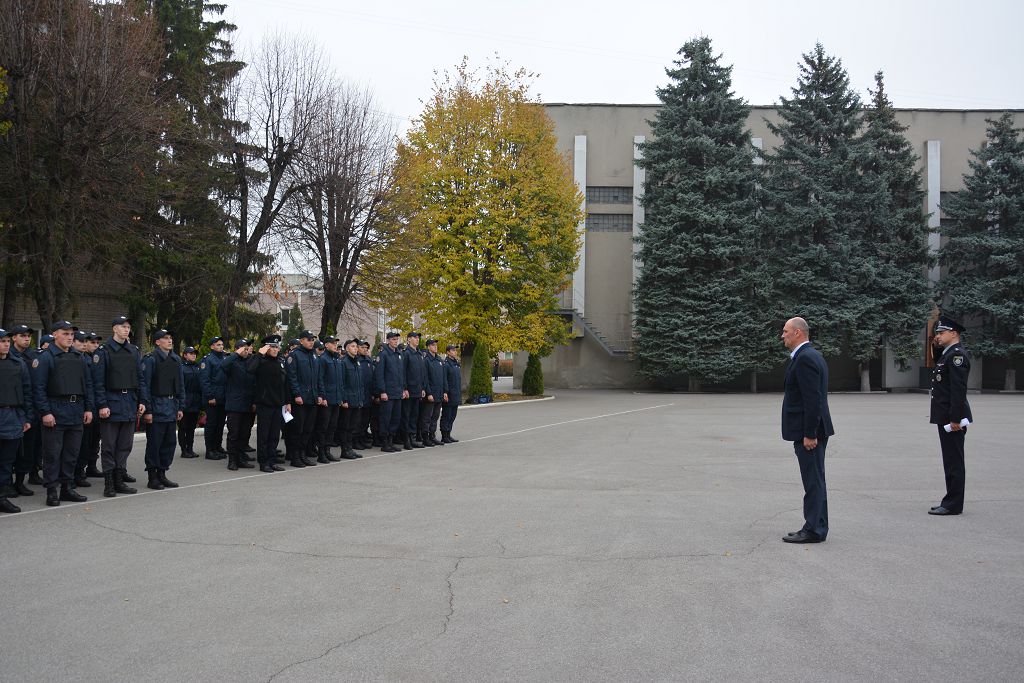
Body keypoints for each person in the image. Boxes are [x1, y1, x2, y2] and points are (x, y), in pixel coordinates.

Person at [780, 317, 834, 544]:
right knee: (815, 480)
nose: (782, 336)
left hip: (810, 433)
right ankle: (816, 525)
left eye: (785, 331)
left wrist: (810, 433)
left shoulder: (805, 358)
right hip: (810, 431)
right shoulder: (809, 355)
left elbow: (813, 400)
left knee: (813, 481)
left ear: (798, 333)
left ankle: (813, 529)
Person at [32, 321, 95, 506]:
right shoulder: (46, 357)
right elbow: (39, 388)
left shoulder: (79, 357)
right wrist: (45, 412)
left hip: (76, 410)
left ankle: (67, 488)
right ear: (55, 335)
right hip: (55, 409)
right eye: (65, 334)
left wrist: (88, 408)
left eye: (71, 335)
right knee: (52, 454)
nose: (69, 337)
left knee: (71, 453)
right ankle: (52, 490)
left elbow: (88, 384)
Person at [91, 316, 143, 497]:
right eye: (123, 326)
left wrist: (141, 401)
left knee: (125, 445)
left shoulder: (133, 351)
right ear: (114, 329)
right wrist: (102, 405)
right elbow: (97, 383)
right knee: (109, 446)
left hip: (129, 402)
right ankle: (109, 483)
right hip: (111, 404)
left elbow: (139, 378)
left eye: (128, 326)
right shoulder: (103, 352)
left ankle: (120, 479)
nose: (126, 329)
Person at [928, 315, 973, 516]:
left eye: (941, 332)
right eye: (937, 332)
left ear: (953, 333)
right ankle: (950, 499)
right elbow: (938, 361)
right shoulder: (948, 354)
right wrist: (936, 343)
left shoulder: (957, 356)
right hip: (945, 416)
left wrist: (955, 419)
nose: (938, 335)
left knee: (954, 460)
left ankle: (953, 504)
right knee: (950, 459)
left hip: (952, 418)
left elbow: (958, 390)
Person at [140, 329, 185, 490]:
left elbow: (180, 385)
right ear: (157, 342)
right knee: (155, 443)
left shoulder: (175, 359)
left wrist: (180, 406)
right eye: (165, 338)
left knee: (169, 443)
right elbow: (145, 385)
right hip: (157, 406)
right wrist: (148, 410)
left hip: (171, 406)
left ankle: (162, 473)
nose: (169, 341)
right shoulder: (151, 359)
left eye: (171, 338)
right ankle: (152, 477)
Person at [0, 328, 34, 513]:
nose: (5, 344)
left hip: (13, 416)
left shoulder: (18, 364)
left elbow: (27, 391)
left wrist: (27, 417)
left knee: (7, 461)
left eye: (6, 341)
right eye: (2, 341)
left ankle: (2, 497)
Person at [247, 334, 289, 473]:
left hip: (278, 404)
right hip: (264, 404)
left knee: (274, 435)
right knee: (263, 436)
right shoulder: (260, 361)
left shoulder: (280, 362)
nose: (276, 349)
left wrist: (287, 402)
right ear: (266, 348)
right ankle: (263, 462)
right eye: (272, 347)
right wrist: (259, 354)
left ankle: (272, 461)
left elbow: (285, 384)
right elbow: (250, 370)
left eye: (277, 347)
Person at [8, 324, 42, 494]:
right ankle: (6, 483)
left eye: (29, 336)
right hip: (11, 408)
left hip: (30, 408)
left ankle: (20, 482)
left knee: (27, 449)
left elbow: (35, 386)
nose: (27, 339)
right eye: (23, 336)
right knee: (9, 450)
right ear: (14, 338)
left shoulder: (34, 356)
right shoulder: (7, 356)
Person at [285, 330, 322, 468]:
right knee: (297, 430)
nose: (311, 342)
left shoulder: (313, 356)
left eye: (312, 339)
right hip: (300, 399)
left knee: (308, 429)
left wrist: (319, 394)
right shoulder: (294, 356)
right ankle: (295, 457)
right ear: (301, 341)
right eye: (308, 339)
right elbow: (292, 377)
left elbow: (318, 378)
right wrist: (296, 394)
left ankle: (302, 455)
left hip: (312, 398)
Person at [221, 339, 257, 471]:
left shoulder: (250, 361)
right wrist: (236, 354)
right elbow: (223, 366)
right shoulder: (232, 361)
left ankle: (241, 458)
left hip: (248, 404)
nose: (247, 351)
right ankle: (232, 460)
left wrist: (254, 401)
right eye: (244, 349)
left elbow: (254, 383)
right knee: (234, 434)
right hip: (235, 404)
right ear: (237, 349)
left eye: (248, 348)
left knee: (244, 433)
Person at [375, 332, 406, 453]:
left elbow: (401, 374)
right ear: (388, 340)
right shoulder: (383, 354)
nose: (395, 341)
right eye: (393, 339)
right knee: (386, 418)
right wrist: (382, 391)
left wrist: (403, 389)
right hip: (387, 393)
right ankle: (385, 443)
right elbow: (379, 374)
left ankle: (391, 441)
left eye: (396, 339)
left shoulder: (399, 354)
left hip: (397, 392)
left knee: (395, 418)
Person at [200, 336, 228, 459]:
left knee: (220, 423)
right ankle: (210, 450)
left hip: (223, 397)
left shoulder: (225, 358)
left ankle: (217, 446)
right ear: (212, 346)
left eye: (222, 344)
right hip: (213, 398)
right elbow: (205, 381)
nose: (221, 346)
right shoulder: (207, 360)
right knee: (212, 424)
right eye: (218, 345)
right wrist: (210, 396)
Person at [316, 335, 343, 463]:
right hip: (327, 399)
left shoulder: (337, 359)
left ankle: (327, 451)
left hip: (336, 399)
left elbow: (340, 381)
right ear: (326, 345)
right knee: (323, 427)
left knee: (332, 427)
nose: (335, 345)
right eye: (332, 343)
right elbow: (320, 379)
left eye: (336, 343)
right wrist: (323, 396)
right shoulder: (323, 359)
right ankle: (321, 453)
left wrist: (341, 397)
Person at [418, 339, 448, 447]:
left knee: (435, 416)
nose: (435, 347)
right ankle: (425, 437)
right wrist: (428, 393)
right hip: (430, 394)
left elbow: (443, 378)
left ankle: (432, 436)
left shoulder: (439, 360)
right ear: (428, 347)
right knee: (427, 417)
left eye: (436, 345)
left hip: (439, 393)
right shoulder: (426, 360)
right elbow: (425, 378)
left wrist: (445, 391)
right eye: (432, 345)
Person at [339, 338, 365, 459]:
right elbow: (341, 383)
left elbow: (360, 383)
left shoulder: (357, 362)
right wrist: (344, 400)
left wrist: (361, 398)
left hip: (356, 399)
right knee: (346, 427)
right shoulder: (344, 362)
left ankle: (350, 448)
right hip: (348, 400)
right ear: (347, 348)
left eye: (356, 346)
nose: (356, 348)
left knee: (353, 426)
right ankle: (345, 449)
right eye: (353, 346)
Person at [401, 331, 426, 450]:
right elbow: (403, 373)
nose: (417, 340)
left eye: (418, 338)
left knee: (414, 416)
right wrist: (405, 388)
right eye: (415, 338)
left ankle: (412, 438)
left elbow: (422, 373)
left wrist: (422, 388)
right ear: (409, 339)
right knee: (407, 415)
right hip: (409, 390)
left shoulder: (419, 354)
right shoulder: (406, 354)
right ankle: (406, 440)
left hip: (417, 390)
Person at [179, 346, 202, 458]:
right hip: (185, 402)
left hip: (195, 402)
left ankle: (190, 449)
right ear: (185, 355)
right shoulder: (181, 368)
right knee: (183, 427)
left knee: (192, 428)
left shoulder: (198, 367)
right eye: (191, 353)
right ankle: (184, 450)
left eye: (195, 353)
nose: (194, 355)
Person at [440, 344, 462, 443]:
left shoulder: (455, 363)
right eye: (453, 350)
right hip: (449, 393)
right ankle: (444, 435)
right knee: (446, 415)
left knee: (453, 415)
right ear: (448, 352)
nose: (455, 352)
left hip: (456, 393)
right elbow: (444, 379)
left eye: (455, 350)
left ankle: (449, 434)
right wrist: (445, 392)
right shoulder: (446, 364)